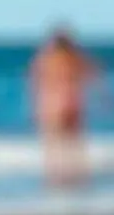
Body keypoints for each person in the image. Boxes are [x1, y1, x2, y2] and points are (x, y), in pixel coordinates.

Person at [26, 23, 107, 186]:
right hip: (73, 103)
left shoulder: (45, 59)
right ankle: (79, 178)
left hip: (52, 105)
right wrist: (104, 101)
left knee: (53, 146)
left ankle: (55, 179)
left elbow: (34, 84)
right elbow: (96, 78)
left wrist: (34, 108)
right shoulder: (77, 58)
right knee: (75, 145)